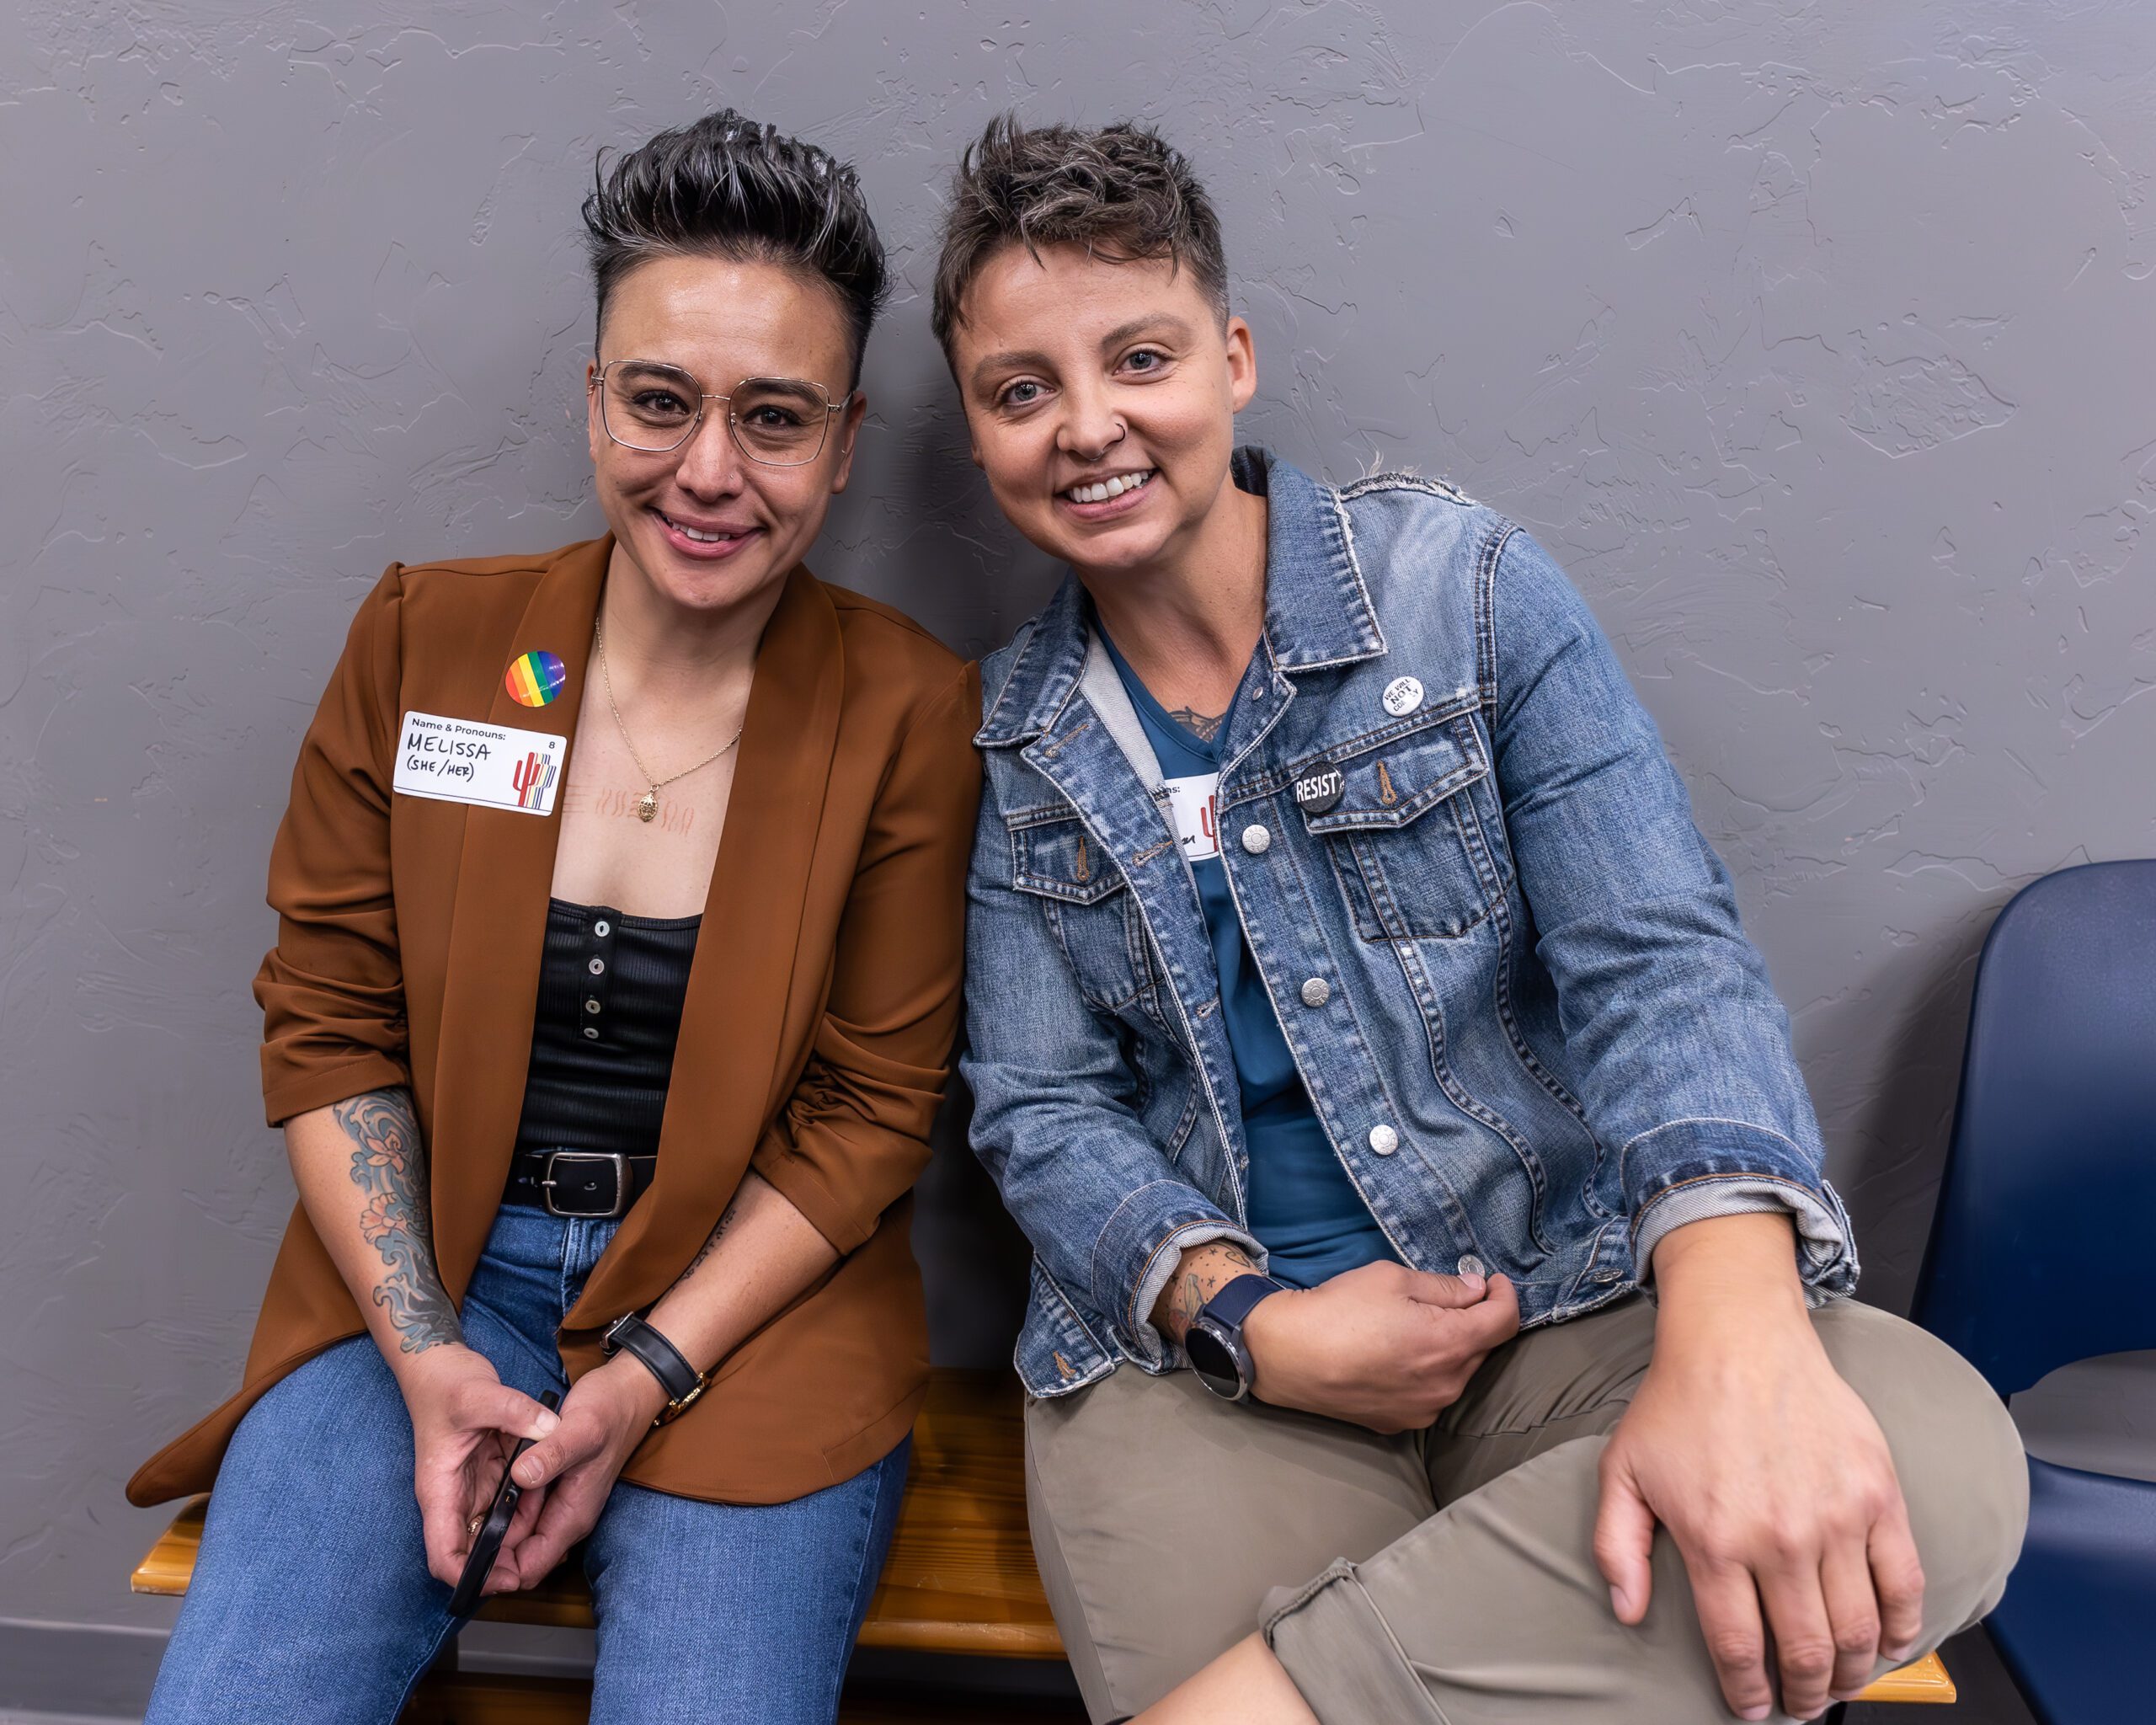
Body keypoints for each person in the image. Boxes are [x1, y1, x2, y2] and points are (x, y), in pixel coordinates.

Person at [940, 116, 2026, 1725]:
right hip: (1214, 1379)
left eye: (1140, 358)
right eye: (1021, 391)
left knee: (1934, 1461)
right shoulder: (1020, 736)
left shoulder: (1468, 593)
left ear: (1232, 360)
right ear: (977, 433)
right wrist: (1246, 1316)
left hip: (1557, 1298)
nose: (1087, 427)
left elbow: (1657, 956)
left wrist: (1732, 1341)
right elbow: (1041, 1110)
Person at [131, 109, 979, 1725]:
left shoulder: (906, 714)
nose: (707, 471)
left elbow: (874, 1112)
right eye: (659, 400)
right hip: (431, 1280)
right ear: (594, 398)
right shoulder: (430, 646)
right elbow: (327, 1021)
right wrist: (426, 1348)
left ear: (847, 439)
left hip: (754, 1310)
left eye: (773, 417)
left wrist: (649, 1372)